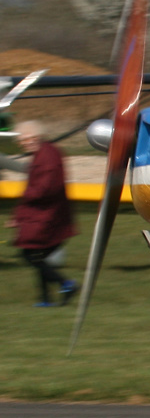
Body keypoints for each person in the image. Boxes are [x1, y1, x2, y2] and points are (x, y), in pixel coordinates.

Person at [9, 122, 77, 307]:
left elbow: (45, 189)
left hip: (47, 216)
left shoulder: (47, 157)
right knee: (39, 257)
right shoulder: (46, 152)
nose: (23, 143)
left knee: (29, 255)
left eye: (25, 139)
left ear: (35, 137)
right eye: (22, 140)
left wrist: (25, 197)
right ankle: (46, 299)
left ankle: (66, 284)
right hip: (47, 214)